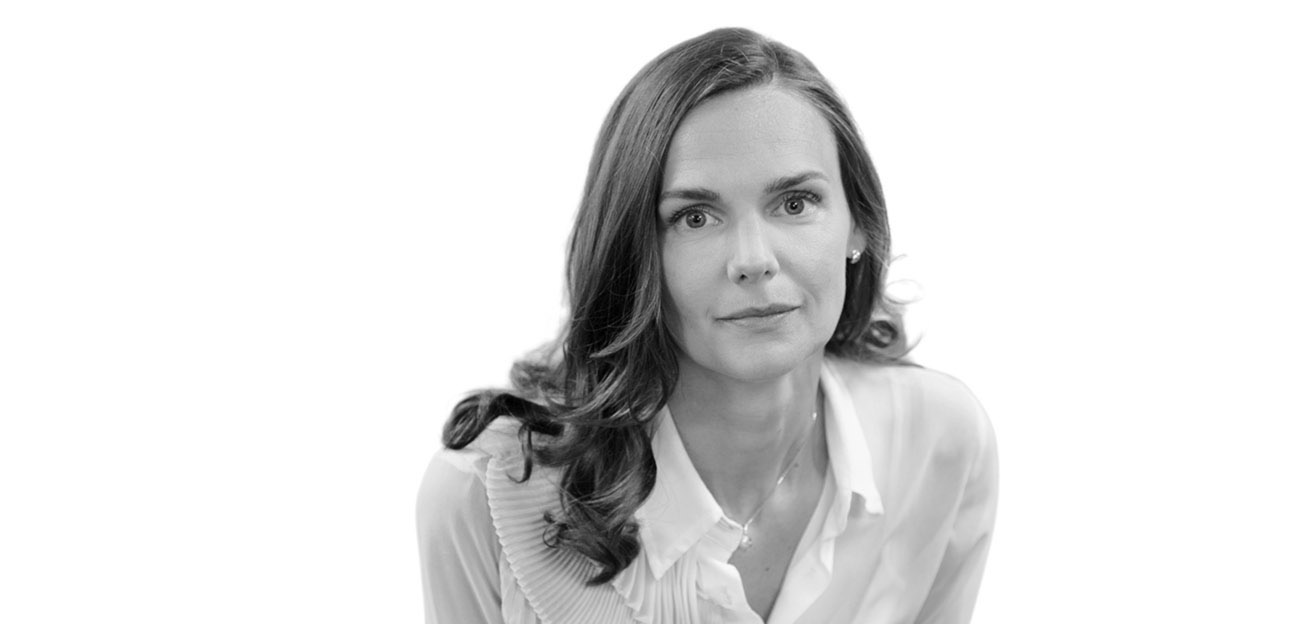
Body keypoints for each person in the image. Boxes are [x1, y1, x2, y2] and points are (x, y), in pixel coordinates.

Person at [416, 27, 998, 624]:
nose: (753, 260)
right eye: (695, 217)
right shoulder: (481, 498)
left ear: (859, 225)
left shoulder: (940, 442)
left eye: (795, 203)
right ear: (633, 251)